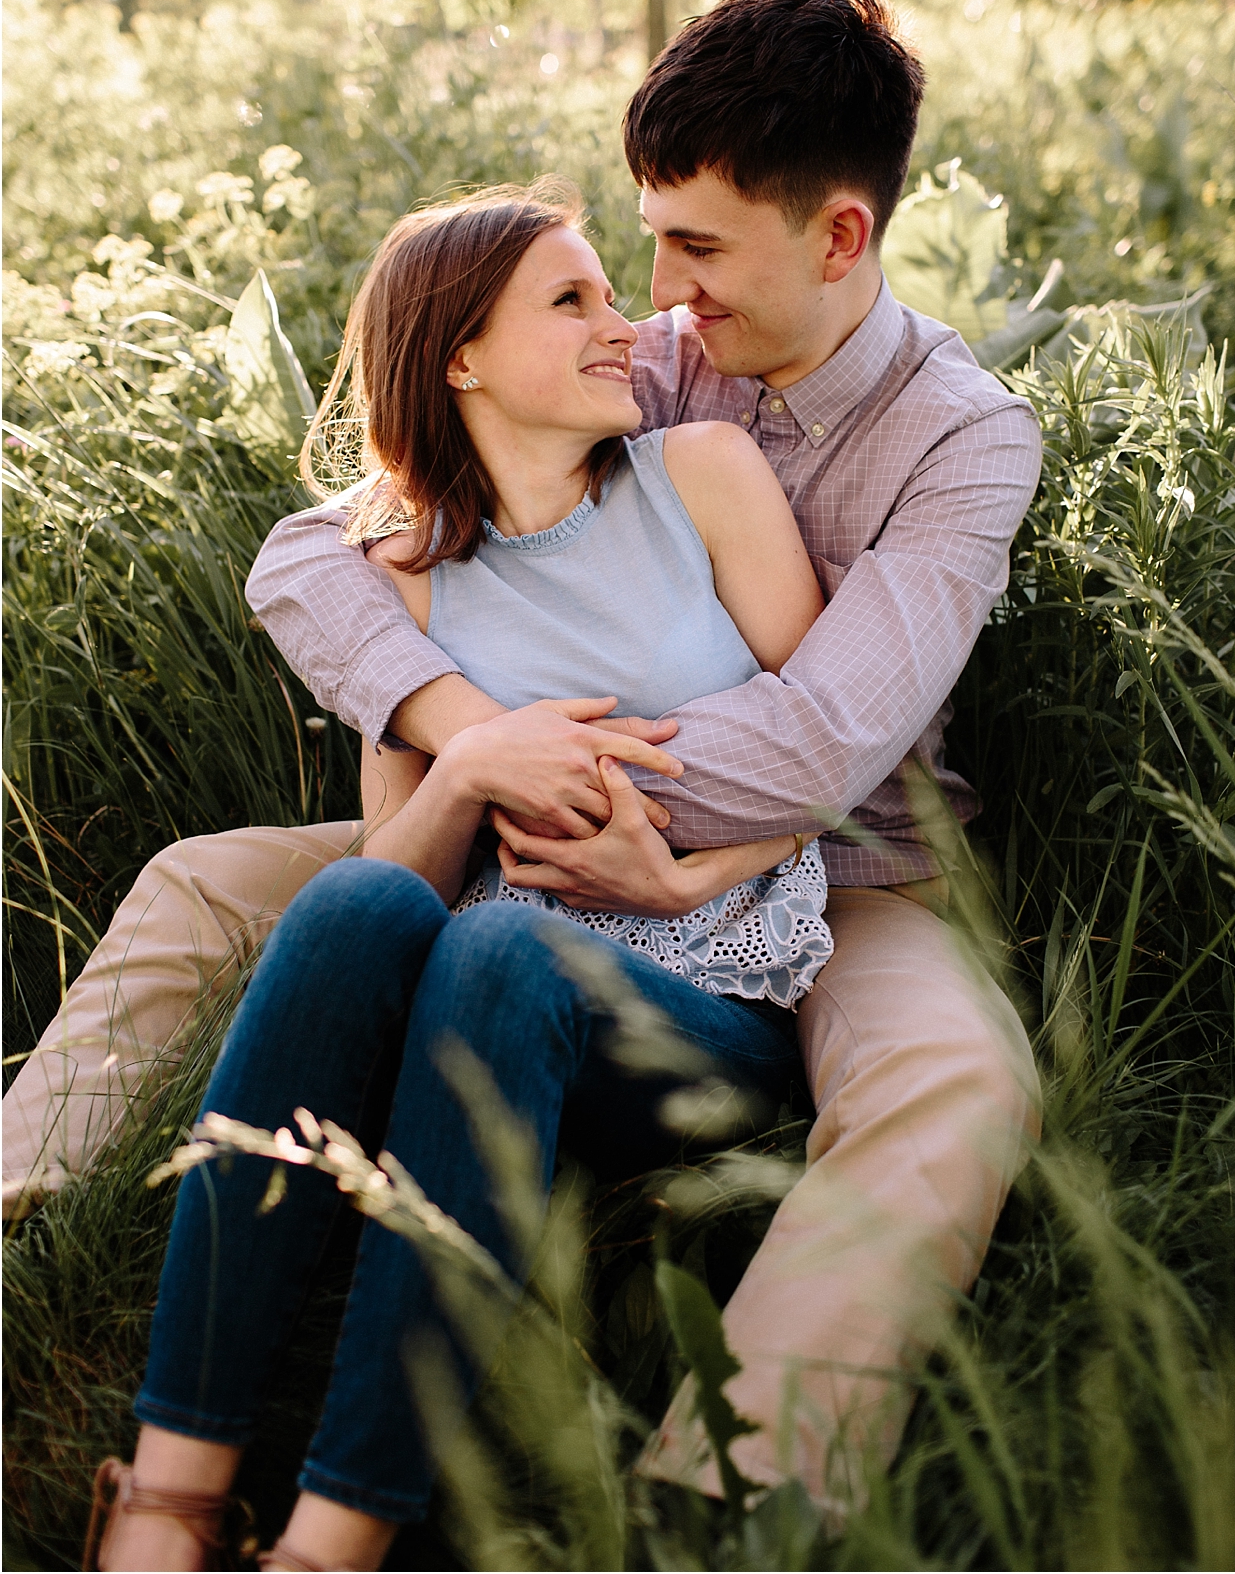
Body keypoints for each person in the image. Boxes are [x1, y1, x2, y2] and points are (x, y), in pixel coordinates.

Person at [6, 0, 1044, 1529]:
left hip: (840, 863)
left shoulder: (963, 434)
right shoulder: (652, 353)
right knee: (207, 880)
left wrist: (646, 833)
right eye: (644, 242)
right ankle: (29, 1216)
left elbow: (830, 735)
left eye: (696, 248)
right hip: (528, 814)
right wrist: (473, 741)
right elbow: (310, 557)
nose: (657, 290)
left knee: (959, 1074)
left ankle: (726, 1493)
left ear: (839, 236)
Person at [91, 180, 847, 1571]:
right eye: (575, 300)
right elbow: (405, 879)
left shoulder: (704, 481)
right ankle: (165, 1496)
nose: (629, 325)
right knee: (365, 900)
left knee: (506, 949)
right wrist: (469, 763)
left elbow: (831, 761)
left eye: (613, 294)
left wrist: (676, 881)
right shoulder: (406, 583)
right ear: (460, 356)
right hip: (486, 1010)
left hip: (705, 1007)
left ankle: (331, 1536)